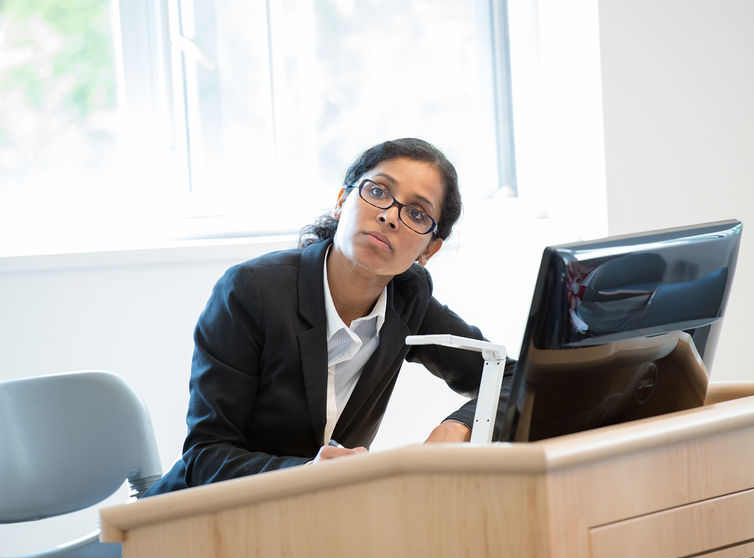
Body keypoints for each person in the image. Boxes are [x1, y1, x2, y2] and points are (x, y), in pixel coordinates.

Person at [144, 137, 514, 494]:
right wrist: (307, 474)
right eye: (379, 191)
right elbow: (205, 457)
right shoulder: (250, 292)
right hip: (188, 526)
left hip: (310, 526)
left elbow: (511, 374)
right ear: (342, 201)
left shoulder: (407, 299)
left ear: (429, 250)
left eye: (416, 213)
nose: (389, 216)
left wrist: (458, 426)